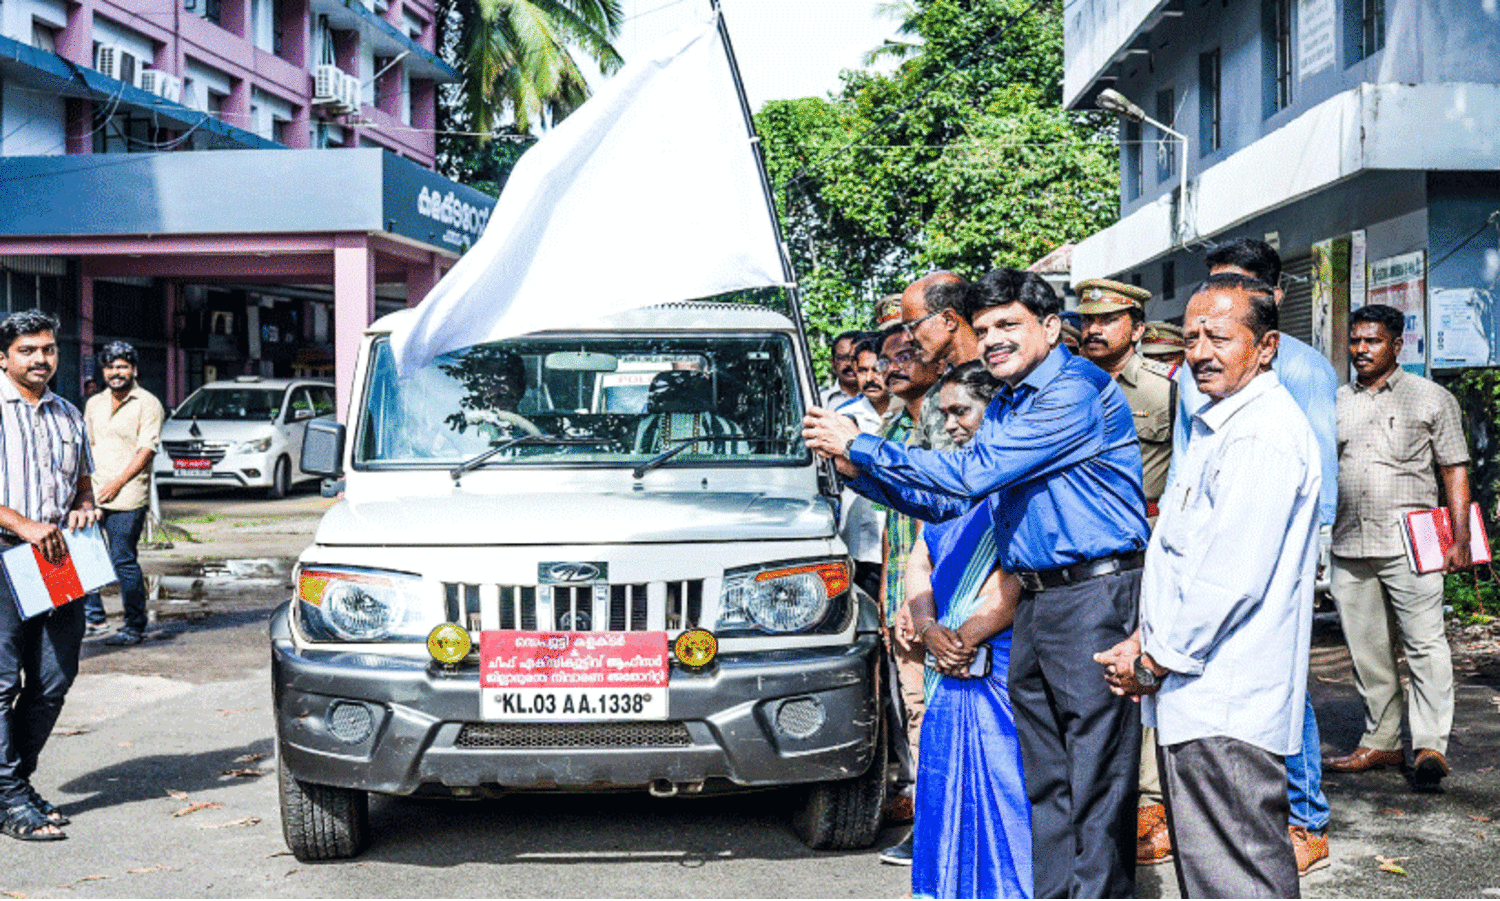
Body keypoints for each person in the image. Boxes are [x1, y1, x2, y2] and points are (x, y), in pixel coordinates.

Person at [805, 269, 1149, 898]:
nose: (992, 339)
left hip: (1093, 599)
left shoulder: (1072, 389)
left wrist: (868, 446)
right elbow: (952, 506)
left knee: (1095, 787)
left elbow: (973, 473)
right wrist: (856, 466)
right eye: (984, 328)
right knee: (1046, 785)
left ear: (1049, 327)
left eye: (1008, 325)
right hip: (1041, 602)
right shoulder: (1015, 398)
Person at [1097, 273, 1320, 899]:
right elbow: (1186, 561)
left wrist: (1155, 657)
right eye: (1191, 337)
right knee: (1215, 875)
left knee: (1237, 878)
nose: (1199, 352)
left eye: (1219, 337)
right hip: (1200, 695)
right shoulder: (1224, 424)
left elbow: (1229, 578)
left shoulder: (1263, 434)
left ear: (1266, 346)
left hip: (1228, 702)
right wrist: (1148, 637)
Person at [1168, 237, 1336, 874]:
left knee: (1284, 682)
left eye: (1236, 286)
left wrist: (1308, 553)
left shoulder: (1296, 373)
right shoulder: (1200, 364)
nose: (1206, 336)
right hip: (1206, 541)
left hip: (1268, 546)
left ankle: (1306, 815)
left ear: (1270, 302)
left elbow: (1308, 468)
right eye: (1211, 286)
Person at [896, 362, 1031, 898]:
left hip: (997, 660)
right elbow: (920, 558)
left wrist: (966, 635)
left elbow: (1016, 575)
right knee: (945, 783)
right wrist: (929, 629)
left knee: (1003, 788)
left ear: (994, 410)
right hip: (947, 660)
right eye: (945, 413)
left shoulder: (1016, 482)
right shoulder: (950, 485)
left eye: (962, 411)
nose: (951, 424)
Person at [1323, 303, 1471, 790]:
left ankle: (1430, 745)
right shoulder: (1336, 400)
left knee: (1425, 642)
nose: (1361, 350)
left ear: (1396, 345)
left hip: (1414, 538)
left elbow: (1454, 468)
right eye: (1356, 341)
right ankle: (1382, 741)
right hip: (1350, 539)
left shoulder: (1430, 398)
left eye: (1373, 341)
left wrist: (1460, 539)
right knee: (1367, 651)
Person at [1074, 278, 1178, 867]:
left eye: (1108, 320)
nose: (1094, 329)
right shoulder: (1067, 389)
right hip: (1082, 554)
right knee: (1092, 670)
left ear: (1136, 329)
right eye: (1087, 320)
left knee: (1143, 666)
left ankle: (1149, 798)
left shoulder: (1165, 395)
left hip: (1145, 545)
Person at [0, 310, 100, 841]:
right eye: (27, 350)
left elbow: (82, 482)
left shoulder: (68, 414)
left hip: (58, 559)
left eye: (48, 349)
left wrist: (85, 506)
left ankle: (12, 783)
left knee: (55, 678)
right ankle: (11, 796)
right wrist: (22, 523)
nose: (41, 359)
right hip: (4, 555)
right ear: (2, 357)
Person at [871, 325, 943, 866]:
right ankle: (930, 822)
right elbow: (892, 527)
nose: (891, 368)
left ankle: (943, 827)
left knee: (939, 713)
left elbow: (938, 521)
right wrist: (888, 595)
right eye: (886, 359)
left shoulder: (951, 419)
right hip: (901, 590)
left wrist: (915, 600)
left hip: (941, 600)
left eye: (906, 356)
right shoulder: (893, 424)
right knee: (915, 709)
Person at [81, 342, 164, 646]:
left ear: (133, 370)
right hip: (94, 492)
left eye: (122, 366)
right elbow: (86, 446)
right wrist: (84, 488)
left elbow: (146, 449)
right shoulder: (94, 403)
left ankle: (134, 625)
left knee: (122, 560)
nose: (116, 373)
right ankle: (94, 618)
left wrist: (117, 482)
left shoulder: (148, 403)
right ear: (103, 372)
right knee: (85, 555)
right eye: (110, 367)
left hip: (128, 495)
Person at [898, 271, 979, 452]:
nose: (906, 338)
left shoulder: (1006, 379)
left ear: (948, 319)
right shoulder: (935, 395)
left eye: (912, 325)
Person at [823, 330, 866, 408]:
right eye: (843, 358)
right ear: (833, 362)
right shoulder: (822, 401)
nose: (849, 364)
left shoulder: (884, 396)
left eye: (855, 358)